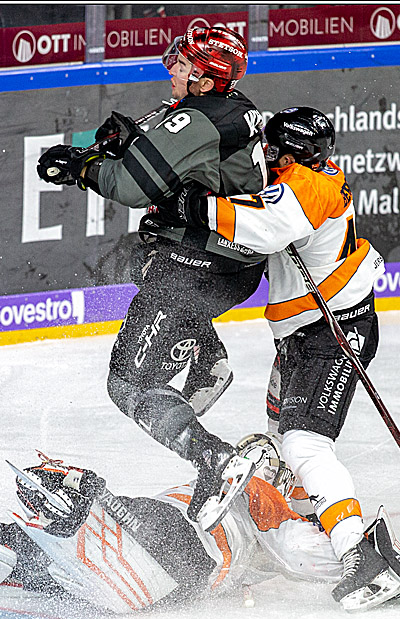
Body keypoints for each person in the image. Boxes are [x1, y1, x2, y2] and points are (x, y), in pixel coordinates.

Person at [149, 106, 400, 611]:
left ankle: (359, 554)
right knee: (279, 432)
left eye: (273, 148)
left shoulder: (308, 187)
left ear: (289, 152)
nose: (265, 153)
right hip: (304, 331)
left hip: (333, 331)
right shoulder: (301, 173)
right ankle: (305, 518)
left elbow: (263, 229)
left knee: (304, 444)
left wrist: (195, 208)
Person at [34, 27, 269, 529]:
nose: (172, 70)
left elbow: (129, 186)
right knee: (141, 266)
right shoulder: (233, 106)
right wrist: (136, 142)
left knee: (129, 384)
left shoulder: (198, 121)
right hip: (225, 264)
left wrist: (81, 167)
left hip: (202, 266)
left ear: (205, 81)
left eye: (183, 65)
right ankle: (208, 355)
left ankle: (215, 459)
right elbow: (184, 166)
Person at [0, 433, 400, 612]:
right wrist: (363, 557)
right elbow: (302, 555)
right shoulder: (258, 492)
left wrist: (361, 554)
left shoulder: (257, 490)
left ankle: (69, 500)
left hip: (168, 550)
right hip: (157, 581)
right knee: (13, 560)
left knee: (42, 535)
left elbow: (299, 550)